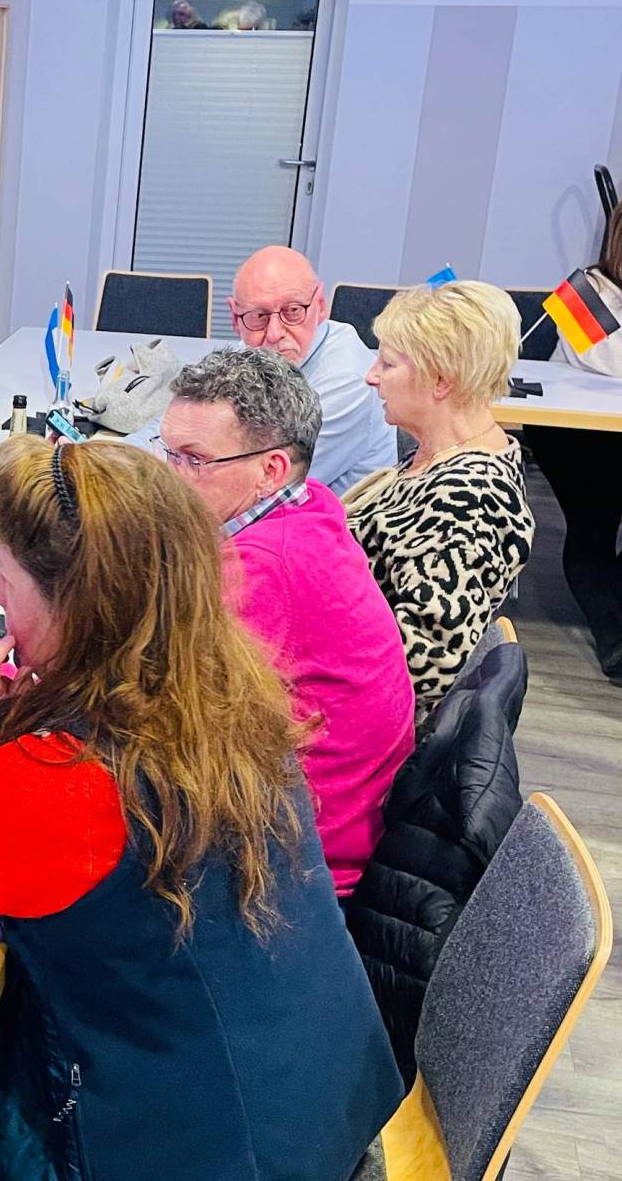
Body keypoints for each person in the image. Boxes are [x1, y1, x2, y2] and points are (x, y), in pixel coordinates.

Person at [0, 440, 401, 1180]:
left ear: (78, 605)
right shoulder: (222, 687)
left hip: (196, 1156)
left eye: (8, 573)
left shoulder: (67, 782)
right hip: (311, 1115)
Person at [153, 348, 414, 897]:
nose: (171, 480)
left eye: (194, 460)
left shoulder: (262, 567)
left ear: (270, 470)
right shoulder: (308, 505)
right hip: (315, 825)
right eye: (168, 453)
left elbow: (156, 712)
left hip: (289, 869)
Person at [344, 281, 536, 720]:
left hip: (353, 722)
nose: (372, 376)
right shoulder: (439, 455)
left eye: (388, 363)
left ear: (441, 381)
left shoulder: (470, 500)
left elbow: (418, 671)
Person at [122, 245, 395, 494]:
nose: (274, 333)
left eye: (293, 311)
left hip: (305, 521)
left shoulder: (348, 381)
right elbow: (173, 422)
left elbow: (252, 489)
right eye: (258, 316)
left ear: (320, 306)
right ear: (235, 317)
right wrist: (115, 467)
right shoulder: (249, 349)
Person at [524, 206, 622, 682]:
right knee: (592, 530)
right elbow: (614, 362)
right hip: (574, 437)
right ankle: (615, 640)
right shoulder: (581, 292)